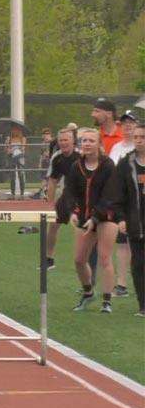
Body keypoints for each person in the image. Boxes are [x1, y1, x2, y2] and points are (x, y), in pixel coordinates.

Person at [67, 128, 118, 313]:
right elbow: (70, 192)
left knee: (105, 257)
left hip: (106, 216)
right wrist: (73, 211)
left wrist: (96, 217)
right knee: (79, 259)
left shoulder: (108, 165)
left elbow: (110, 195)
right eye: (84, 140)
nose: (87, 144)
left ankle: (107, 301)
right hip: (84, 216)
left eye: (91, 140)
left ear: (99, 144)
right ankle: (88, 292)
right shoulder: (76, 166)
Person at [105, 124, 145, 316]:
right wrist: (120, 217)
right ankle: (143, 305)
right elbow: (117, 193)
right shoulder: (126, 163)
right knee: (138, 264)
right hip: (135, 221)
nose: (139, 140)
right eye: (136, 137)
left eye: (143, 137)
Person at [106, 111, 138, 298]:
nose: (127, 126)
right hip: (123, 201)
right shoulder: (117, 148)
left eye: (131, 123)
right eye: (125, 123)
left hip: (139, 199)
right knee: (123, 242)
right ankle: (122, 283)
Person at [42, 128, 79, 271]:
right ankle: (49, 259)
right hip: (67, 195)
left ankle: (85, 260)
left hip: (83, 196)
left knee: (83, 228)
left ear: (73, 141)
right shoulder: (57, 157)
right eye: (61, 140)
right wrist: (50, 206)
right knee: (52, 224)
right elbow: (52, 181)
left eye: (66, 140)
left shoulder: (81, 156)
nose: (63, 143)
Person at [6, 125, 28, 199]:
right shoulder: (9, 138)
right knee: (12, 176)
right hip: (12, 157)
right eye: (13, 130)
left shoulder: (23, 138)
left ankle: (22, 194)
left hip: (20, 157)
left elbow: (23, 147)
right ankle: (13, 194)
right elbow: (7, 150)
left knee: (21, 175)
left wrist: (18, 146)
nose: (14, 131)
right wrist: (8, 147)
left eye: (16, 130)